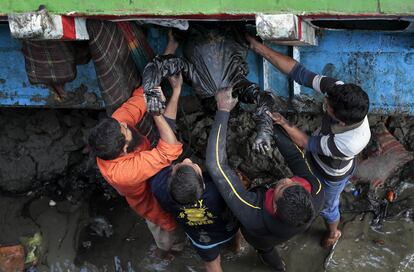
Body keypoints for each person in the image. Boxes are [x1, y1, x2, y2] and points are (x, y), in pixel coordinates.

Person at [245, 34, 371, 248]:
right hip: (318, 153)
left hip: (331, 172)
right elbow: (300, 73)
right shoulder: (338, 91)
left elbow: (306, 143)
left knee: (328, 205)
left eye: (327, 105)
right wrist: (259, 48)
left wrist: (284, 123)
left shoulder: (351, 141)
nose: (325, 99)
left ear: (339, 119)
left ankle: (333, 232)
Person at [206, 88, 324, 271]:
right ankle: (279, 268)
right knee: (269, 250)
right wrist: (271, 127)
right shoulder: (315, 191)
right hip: (288, 231)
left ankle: (267, 260)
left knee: (264, 247)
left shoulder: (252, 212)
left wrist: (222, 111)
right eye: (293, 182)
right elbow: (295, 157)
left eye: (282, 187)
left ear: (275, 207)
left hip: (259, 236)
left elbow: (216, 166)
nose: (286, 180)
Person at [88, 67, 184, 257]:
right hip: (150, 203)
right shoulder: (124, 171)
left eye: (121, 125)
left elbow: (140, 97)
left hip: (144, 181)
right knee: (167, 232)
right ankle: (169, 253)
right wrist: (157, 114)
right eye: (125, 129)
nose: (124, 123)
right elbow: (170, 151)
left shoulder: (115, 128)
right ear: (124, 149)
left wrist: (164, 60)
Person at [150, 158, 239, 272]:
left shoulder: (160, 189)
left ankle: (233, 249)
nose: (187, 160)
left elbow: (155, 172)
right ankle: (235, 249)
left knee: (212, 265)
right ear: (201, 180)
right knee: (233, 236)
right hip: (227, 228)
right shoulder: (217, 189)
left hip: (202, 238)